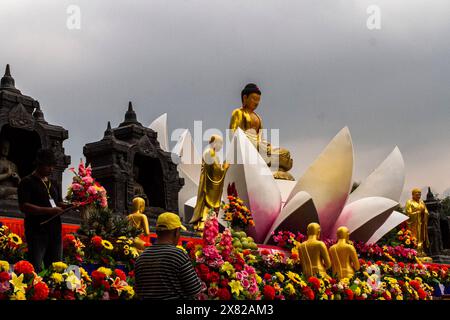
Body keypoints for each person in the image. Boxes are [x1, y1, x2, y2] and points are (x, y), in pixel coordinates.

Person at [17, 149, 67, 271]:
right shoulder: (27, 182)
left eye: (53, 166)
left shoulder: (53, 183)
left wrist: (69, 205)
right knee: (36, 267)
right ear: (39, 164)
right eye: (48, 165)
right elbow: (24, 206)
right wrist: (50, 211)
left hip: (55, 231)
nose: (51, 169)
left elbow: (57, 202)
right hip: (37, 231)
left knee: (56, 269)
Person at [135, 212, 202, 300]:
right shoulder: (178, 255)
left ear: (157, 231)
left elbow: (138, 291)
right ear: (176, 232)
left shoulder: (141, 257)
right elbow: (195, 289)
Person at [190, 135, 229, 231]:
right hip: (208, 185)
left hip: (211, 184)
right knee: (207, 203)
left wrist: (222, 168)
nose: (220, 146)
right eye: (219, 143)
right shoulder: (209, 153)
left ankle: (209, 223)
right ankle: (203, 222)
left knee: (211, 208)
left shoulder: (215, 155)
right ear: (214, 143)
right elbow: (215, 171)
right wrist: (224, 168)